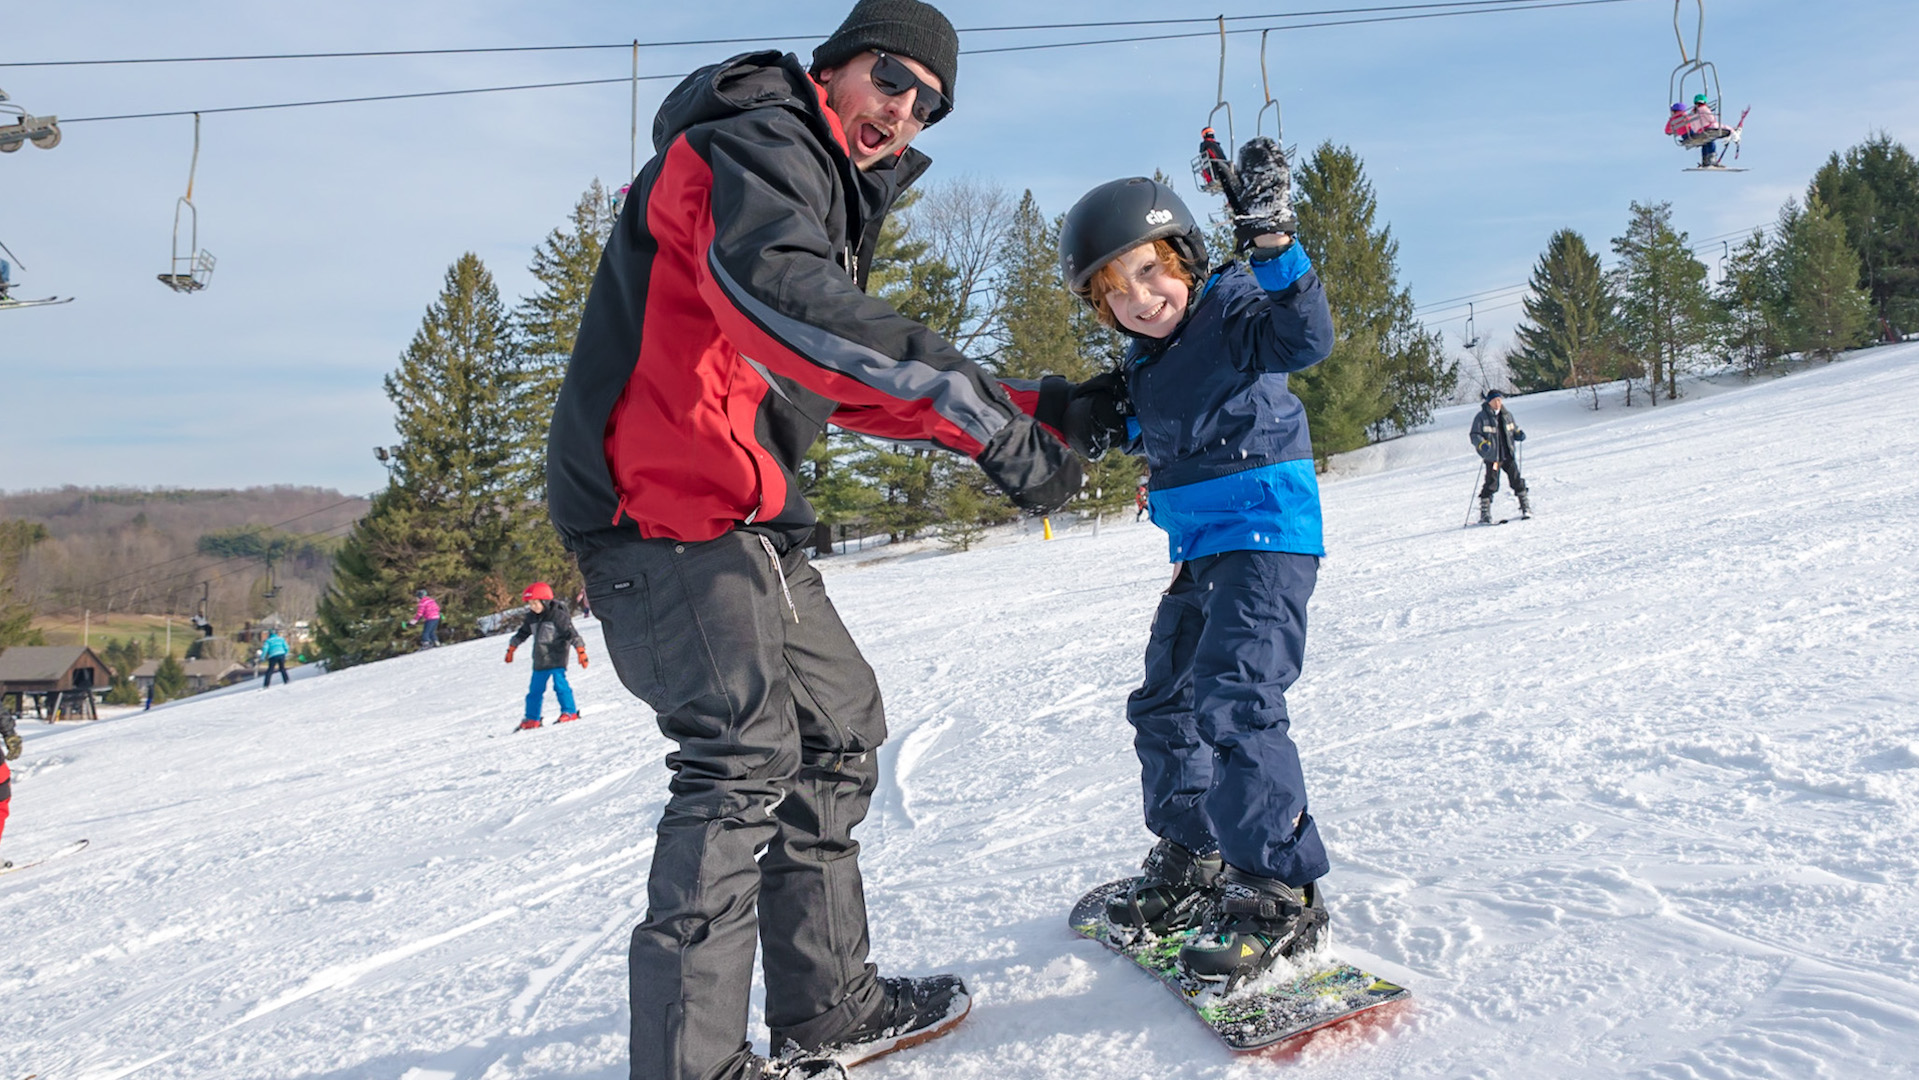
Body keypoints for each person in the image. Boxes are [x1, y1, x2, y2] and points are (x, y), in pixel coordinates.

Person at [543, 3, 1080, 1077]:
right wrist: (989, 428)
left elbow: (825, 372)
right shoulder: (755, 141)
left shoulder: (814, 184)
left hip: (744, 516)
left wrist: (1039, 405)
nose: (903, 110)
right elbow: (789, 309)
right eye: (891, 77)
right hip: (663, 512)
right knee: (739, 760)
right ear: (832, 66)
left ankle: (825, 1005)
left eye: (928, 104)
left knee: (835, 729)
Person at [1035, 163, 1336, 988]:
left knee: (1235, 699)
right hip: (1201, 548)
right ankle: (1195, 851)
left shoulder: (1235, 308)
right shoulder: (1146, 360)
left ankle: (1276, 886)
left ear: (1188, 259)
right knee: (1165, 701)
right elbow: (1155, 420)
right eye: (1113, 290)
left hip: (1266, 533)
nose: (1139, 297)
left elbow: (1304, 337)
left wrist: (1274, 244)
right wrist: (1092, 414)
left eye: (1149, 269)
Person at [505, 582, 587, 731]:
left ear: (545, 601)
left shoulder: (557, 616)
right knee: (534, 691)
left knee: (560, 686)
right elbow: (522, 633)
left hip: (557, 656)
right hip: (540, 658)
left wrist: (580, 650)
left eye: (535, 602)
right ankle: (532, 718)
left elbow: (571, 633)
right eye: (530, 603)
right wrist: (512, 647)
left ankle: (570, 712)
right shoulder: (532, 617)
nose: (533, 606)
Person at [1471, 389, 1530, 522]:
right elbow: (1474, 435)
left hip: (1507, 455)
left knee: (1517, 480)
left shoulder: (1507, 415)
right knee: (1491, 483)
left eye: (1499, 400)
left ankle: (1525, 507)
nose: (1498, 403)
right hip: (1493, 458)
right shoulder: (1481, 417)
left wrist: (1518, 434)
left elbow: (1514, 429)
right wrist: (1482, 444)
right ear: (1489, 402)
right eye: (1495, 400)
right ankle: (1485, 514)